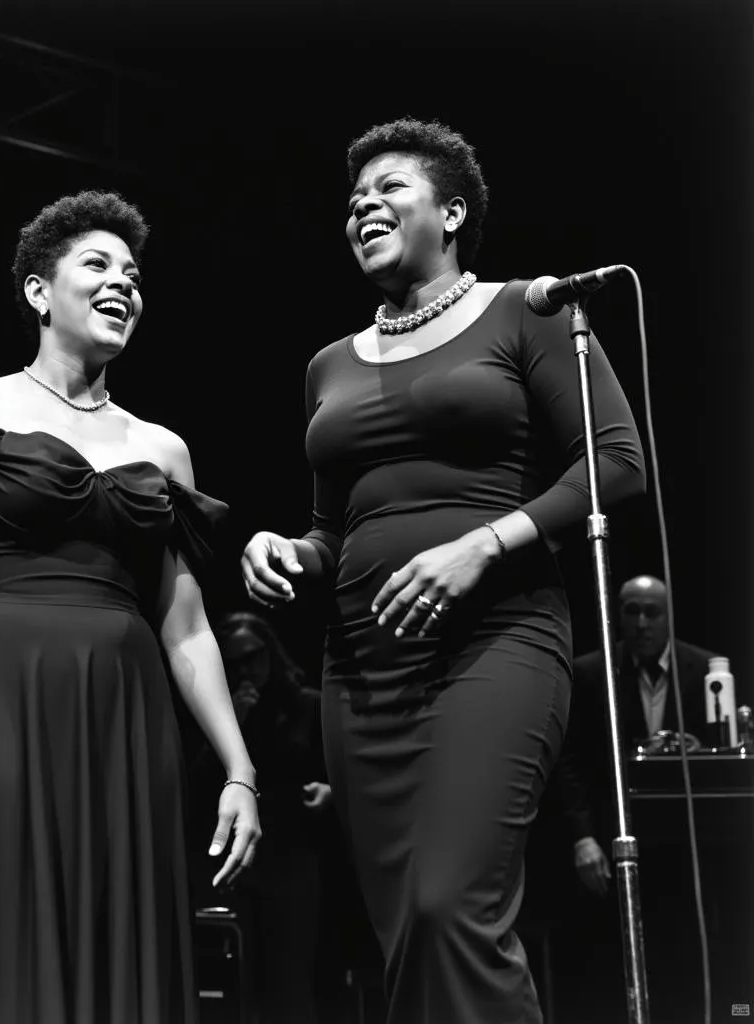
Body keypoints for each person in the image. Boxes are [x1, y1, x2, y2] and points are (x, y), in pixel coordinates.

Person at [241, 117, 646, 1024]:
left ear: (453, 210)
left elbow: (618, 461)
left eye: (389, 188)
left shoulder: (526, 313)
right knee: (406, 934)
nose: (363, 206)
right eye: (353, 199)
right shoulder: (327, 366)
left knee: (448, 908)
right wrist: (287, 554)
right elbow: (330, 531)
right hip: (364, 671)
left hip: (497, 642)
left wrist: (486, 542)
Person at [0, 190, 260, 1024]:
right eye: (98, 265)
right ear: (38, 292)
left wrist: (239, 767)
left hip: (125, 714)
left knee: (118, 925)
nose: (123, 283)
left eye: (135, 275)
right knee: (4, 913)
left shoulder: (164, 448)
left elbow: (186, 626)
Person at [190, 611, 330, 1024]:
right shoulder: (220, 715)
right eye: (233, 663)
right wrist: (236, 718)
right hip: (235, 859)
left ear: (271, 652)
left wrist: (329, 794)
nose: (246, 669)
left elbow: (339, 772)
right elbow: (195, 785)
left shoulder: (307, 705)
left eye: (253, 656)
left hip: (292, 853)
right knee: (237, 975)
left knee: (289, 978)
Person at [555, 574, 719, 897]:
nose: (641, 623)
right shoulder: (591, 672)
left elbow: (724, 750)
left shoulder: (706, 670)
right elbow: (569, 761)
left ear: (669, 614)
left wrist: (700, 751)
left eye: (652, 612)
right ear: (618, 614)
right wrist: (582, 837)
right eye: (632, 611)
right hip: (611, 838)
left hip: (689, 842)